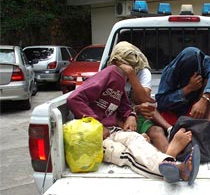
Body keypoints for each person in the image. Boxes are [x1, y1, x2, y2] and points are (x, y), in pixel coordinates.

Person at [66, 53, 200, 185]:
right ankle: (177, 169)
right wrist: (97, 125)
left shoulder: (119, 81)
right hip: (94, 137)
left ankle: (169, 162)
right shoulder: (109, 74)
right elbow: (74, 99)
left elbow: (125, 107)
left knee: (137, 140)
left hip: (114, 131)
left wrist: (131, 116)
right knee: (127, 155)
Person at [108, 41, 173, 154]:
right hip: (116, 118)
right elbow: (108, 108)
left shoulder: (142, 71)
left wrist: (131, 75)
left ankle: (169, 156)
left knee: (156, 129)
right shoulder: (109, 73)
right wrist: (130, 114)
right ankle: (141, 140)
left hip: (139, 116)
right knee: (131, 135)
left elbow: (143, 99)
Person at [155, 46, 210, 125]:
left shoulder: (203, 61)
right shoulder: (170, 72)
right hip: (173, 111)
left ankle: (207, 125)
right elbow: (161, 102)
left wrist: (204, 100)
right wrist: (188, 88)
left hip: (195, 108)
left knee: (209, 82)